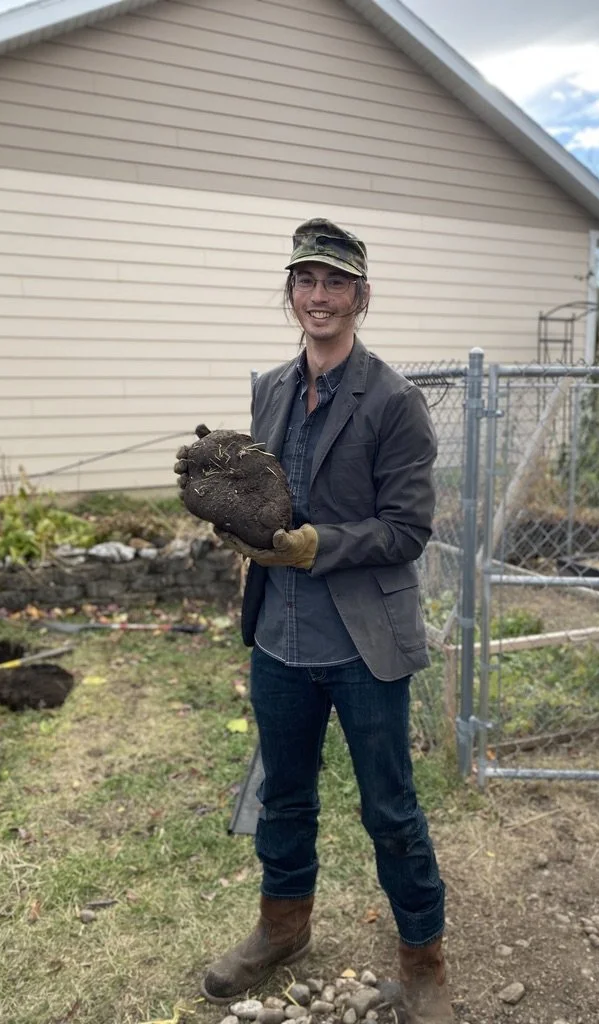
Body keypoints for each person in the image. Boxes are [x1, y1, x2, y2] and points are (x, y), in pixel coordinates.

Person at [174, 219, 452, 1024]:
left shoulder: (395, 402)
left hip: (362, 642)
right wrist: (239, 525)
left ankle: (423, 956)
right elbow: (263, 499)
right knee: (285, 797)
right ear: (290, 292)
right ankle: (282, 927)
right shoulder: (267, 387)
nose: (318, 296)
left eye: (335, 283)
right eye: (305, 280)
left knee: (389, 808)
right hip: (279, 638)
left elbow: (407, 529)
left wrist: (315, 544)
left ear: (362, 296)